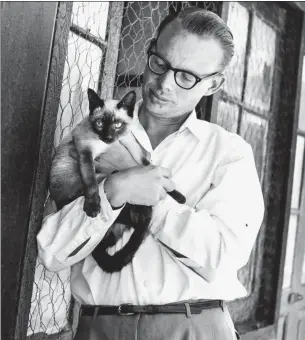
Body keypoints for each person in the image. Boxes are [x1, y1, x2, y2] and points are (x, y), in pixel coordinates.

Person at [37, 7, 264, 340]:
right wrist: (114, 190)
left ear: (214, 83)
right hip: (100, 328)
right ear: (150, 50)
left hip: (194, 328)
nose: (165, 84)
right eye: (160, 63)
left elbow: (222, 256)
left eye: (187, 77)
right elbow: (52, 252)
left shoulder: (228, 153)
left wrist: (152, 204)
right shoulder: (93, 132)